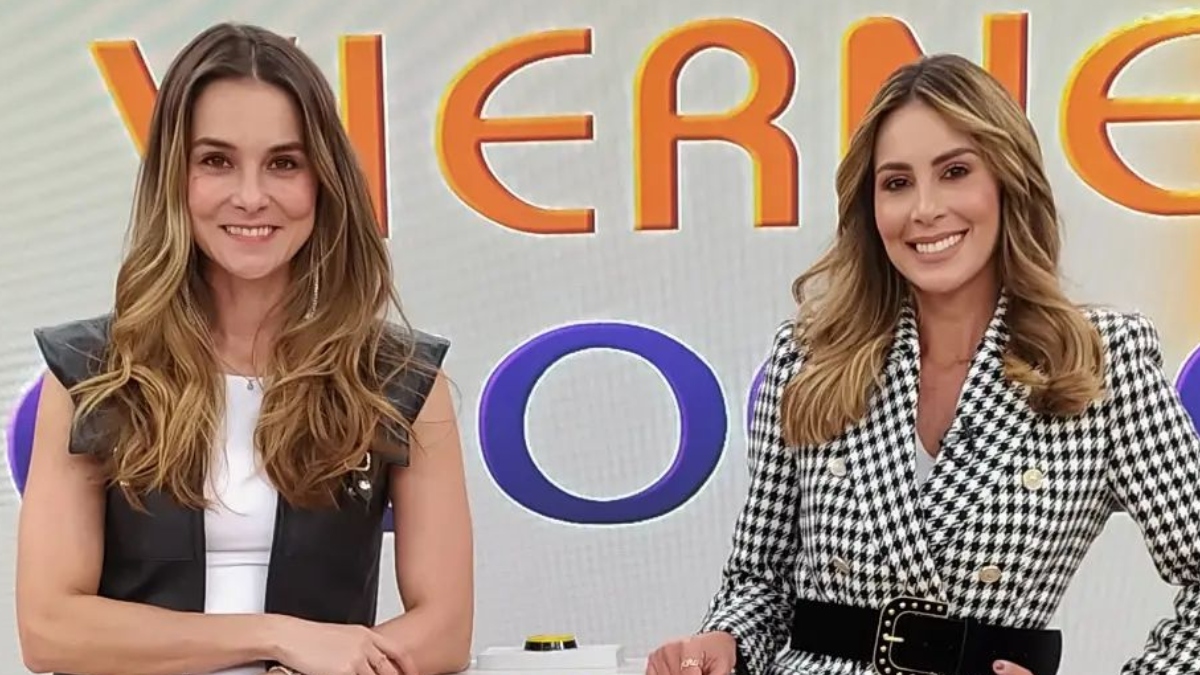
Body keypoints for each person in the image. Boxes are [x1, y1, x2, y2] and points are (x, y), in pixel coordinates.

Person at [646, 53, 1200, 675]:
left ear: (1007, 181)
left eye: (955, 172)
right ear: (870, 206)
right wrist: (725, 640)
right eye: (897, 183)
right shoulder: (808, 358)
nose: (925, 209)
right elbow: (760, 581)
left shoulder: (1097, 361)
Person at [15, 22, 474, 675]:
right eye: (216, 161)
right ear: (175, 178)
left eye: (284, 163)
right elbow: (51, 630)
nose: (252, 197)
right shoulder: (92, 373)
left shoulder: (398, 380)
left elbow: (444, 629)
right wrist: (277, 637)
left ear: (323, 181)